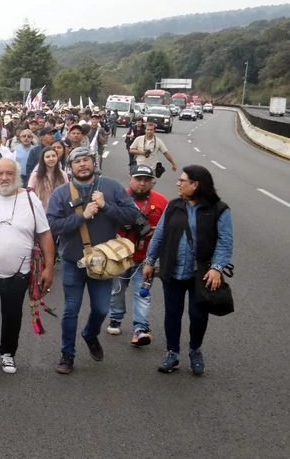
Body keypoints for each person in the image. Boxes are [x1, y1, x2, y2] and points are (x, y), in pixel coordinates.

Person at [46, 147, 142, 375]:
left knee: (100, 308)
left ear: (93, 162)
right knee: (71, 309)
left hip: (104, 263)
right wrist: (82, 217)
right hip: (73, 261)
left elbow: (132, 216)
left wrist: (106, 206)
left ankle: (90, 333)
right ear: (70, 167)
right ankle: (67, 355)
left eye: (86, 160)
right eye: (77, 161)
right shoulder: (61, 193)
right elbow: (52, 225)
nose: (82, 164)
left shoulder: (111, 186)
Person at [0, 158, 55, 388]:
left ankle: (7, 352)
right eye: (0, 174)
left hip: (19, 274)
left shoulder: (30, 199)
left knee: (12, 316)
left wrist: (48, 267)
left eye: (9, 173)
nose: (4, 177)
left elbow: (45, 234)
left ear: (17, 176)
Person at [143, 165, 233, 376]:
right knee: (172, 313)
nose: (178, 183)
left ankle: (195, 350)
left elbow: (225, 242)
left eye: (183, 180)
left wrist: (217, 268)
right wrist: (149, 261)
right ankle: (172, 353)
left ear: (196, 184)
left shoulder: (219, 209)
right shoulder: (174, 206)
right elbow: (159, 235)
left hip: (201, 274)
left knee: (198, 314)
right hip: (172, 270)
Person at [107, 164, 167, 346]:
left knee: (143, 293)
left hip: (146, 258)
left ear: (152, 182)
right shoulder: (117, 198)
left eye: (147, 180)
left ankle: (140, 328)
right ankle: (115, 317)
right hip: (119, 256)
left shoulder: (162, 202)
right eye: (138, 179)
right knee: (117, 290)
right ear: (129, 179)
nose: (142, 184)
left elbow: (167, 231)